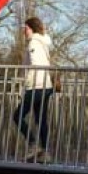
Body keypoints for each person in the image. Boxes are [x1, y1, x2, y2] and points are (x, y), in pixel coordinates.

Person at [14, 16, 55, 160]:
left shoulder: (33, 43)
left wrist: (25, 84)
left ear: (31, 28)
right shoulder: (42, 42)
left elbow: (34, 64)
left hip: (36, 86)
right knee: (40, 119)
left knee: (17, 116)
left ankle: (33, 143)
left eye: (25, 28)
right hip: (46, 85)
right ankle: (45, 152)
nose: (23, 31)